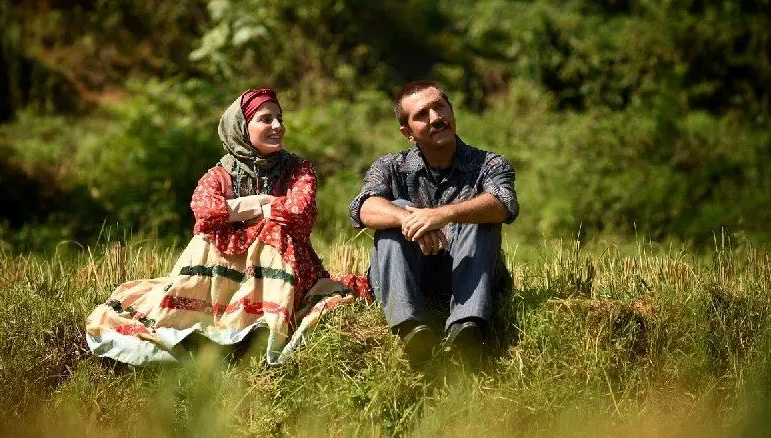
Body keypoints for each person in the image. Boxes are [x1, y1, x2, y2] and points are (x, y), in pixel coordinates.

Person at [86, 88, 369, 366]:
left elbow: (298, 211)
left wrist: (235, 212)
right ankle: (206, 325)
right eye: (266, 119)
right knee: (207, 238)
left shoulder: (299, 169)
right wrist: (260, 203)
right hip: (230, 272)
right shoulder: (220, 174)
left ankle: (262, 324)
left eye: (279, 119)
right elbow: (204, 212)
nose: (277, 126)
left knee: (274, 232)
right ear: (242, 128)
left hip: (285, 269)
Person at [349, 81, 519, 364]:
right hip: (412, 274)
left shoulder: (491, 164)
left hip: (470, 272)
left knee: (478, 211)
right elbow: (363, 208)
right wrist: (411, 220)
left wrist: (443, 214)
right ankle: (410, 329)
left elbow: (504, 204)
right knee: (395, 209)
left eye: (440, 107)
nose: (436, 118)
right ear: (407, 133)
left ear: (451, 111)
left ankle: (467, 328)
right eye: (422, 115)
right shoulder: (389, 166)